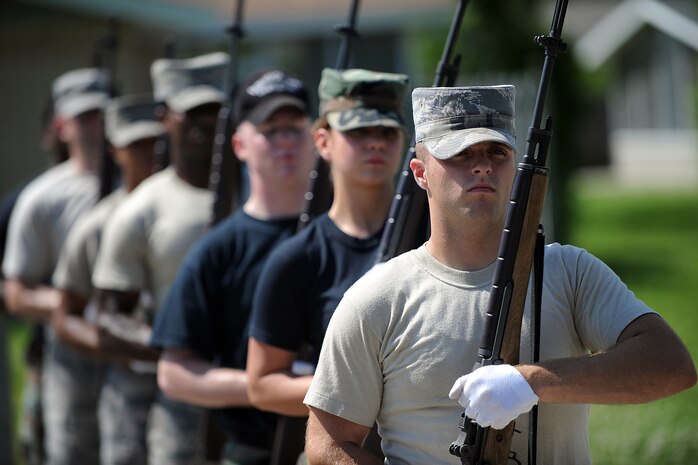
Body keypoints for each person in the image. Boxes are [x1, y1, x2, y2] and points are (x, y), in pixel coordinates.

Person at [302, 85, 697, 465]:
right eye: (459, 154)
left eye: (497, 151)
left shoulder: (571, 272)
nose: (482, 165)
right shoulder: (378, 298)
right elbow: (329, 445)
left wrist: (533, 382)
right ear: (420, 173)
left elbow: (670, 366)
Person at [150, 68, 315, 465]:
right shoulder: (218, 250)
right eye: (270, 130)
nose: (286, 140)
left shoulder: (345, 235)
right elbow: (175, 373)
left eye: (295, 126)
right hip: (253, 449)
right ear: (240, 144)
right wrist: (273, 387)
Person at [90, 51, 228, 465]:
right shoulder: (141, 210)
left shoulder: (264, 195)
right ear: (164, 116)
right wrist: (173, 347)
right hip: (179, 397)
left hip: (261, 392)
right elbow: (107, 315)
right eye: (194, 112)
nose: (207, 121)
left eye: (215, 110)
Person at [246, 68, 408, 419]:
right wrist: (359, 386)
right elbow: (262, 385)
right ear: (323, 141)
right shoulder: (298, 259)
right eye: (359, 131)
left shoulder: (431, 238)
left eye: (388, 131)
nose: (376, 142)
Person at [2, 67, 111, 465]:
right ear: (62, 126)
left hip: (132, 356)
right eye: (85, 117)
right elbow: (16, 292)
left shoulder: (139, 187)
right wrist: (74, 306)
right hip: (65, 357)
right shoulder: (40, 199)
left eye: (103, 115)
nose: (97, 127)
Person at [50, 94, 164, 464]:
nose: (151, 154)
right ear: (117, 150)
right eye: (138, 146)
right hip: (124, 377)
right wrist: (124, 344)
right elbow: (64, 315)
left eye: (156, 143)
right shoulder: (97, 226)